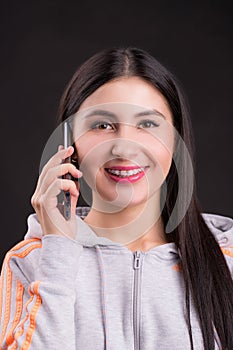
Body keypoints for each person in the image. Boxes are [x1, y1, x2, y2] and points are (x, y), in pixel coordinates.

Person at [0, 47, 232, 350]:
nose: (124, 148)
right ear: (69, 143)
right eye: (102, 125)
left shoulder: (226, 259)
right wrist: (59, 250)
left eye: (148, 124)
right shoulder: (29, 263)